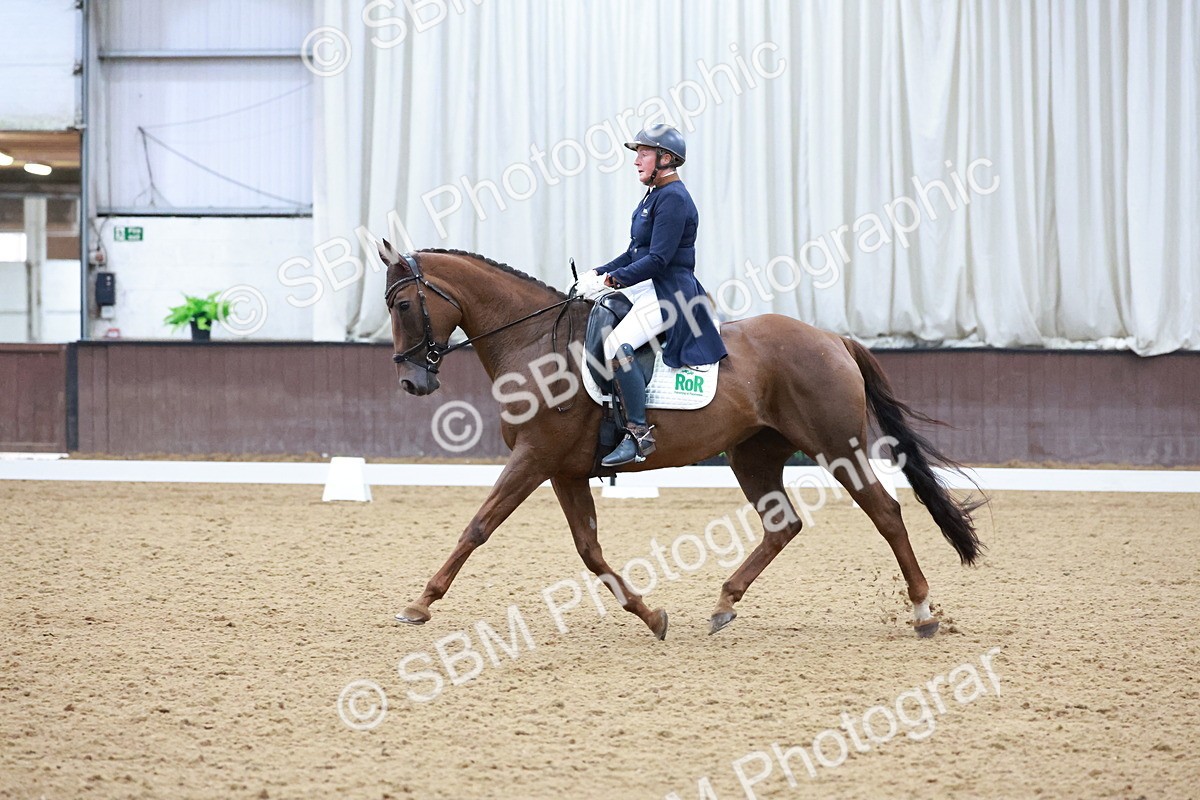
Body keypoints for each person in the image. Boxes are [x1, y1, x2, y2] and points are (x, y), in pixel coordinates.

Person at [589, 123, 727, 467]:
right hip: (650, 286)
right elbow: (635, 252)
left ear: (665, 159)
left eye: (644, 153)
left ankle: (638, 434)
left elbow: (658, 259)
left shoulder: (675, 199)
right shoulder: (654, 196)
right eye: (637, 154)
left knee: (615, 347)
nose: (637, 161)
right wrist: (598, 272)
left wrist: (613, 281)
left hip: (671, 293)